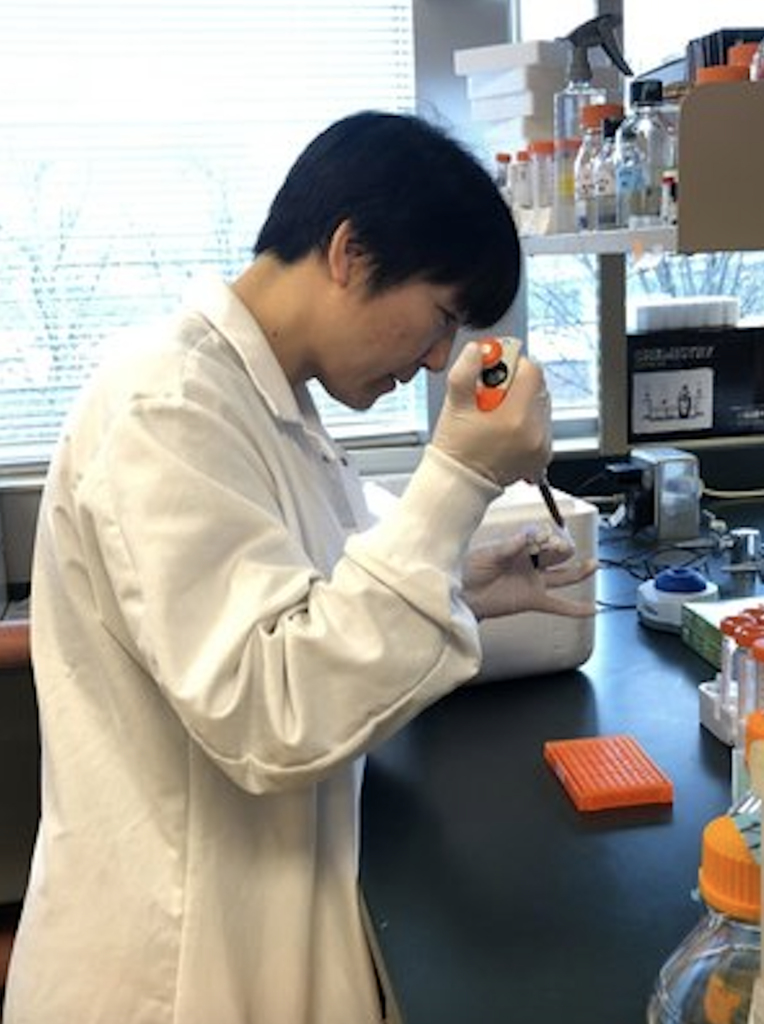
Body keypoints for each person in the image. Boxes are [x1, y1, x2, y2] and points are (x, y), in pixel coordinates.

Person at [4, 111, 595, 1024]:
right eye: (440, 316)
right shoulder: (165, 407)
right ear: (351, 252)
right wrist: (460, 475)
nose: (439, 357)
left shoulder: (270, 403)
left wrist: (470, 577)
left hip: (259, 924)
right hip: (173, 970)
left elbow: (310, 596)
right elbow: (273, 708)